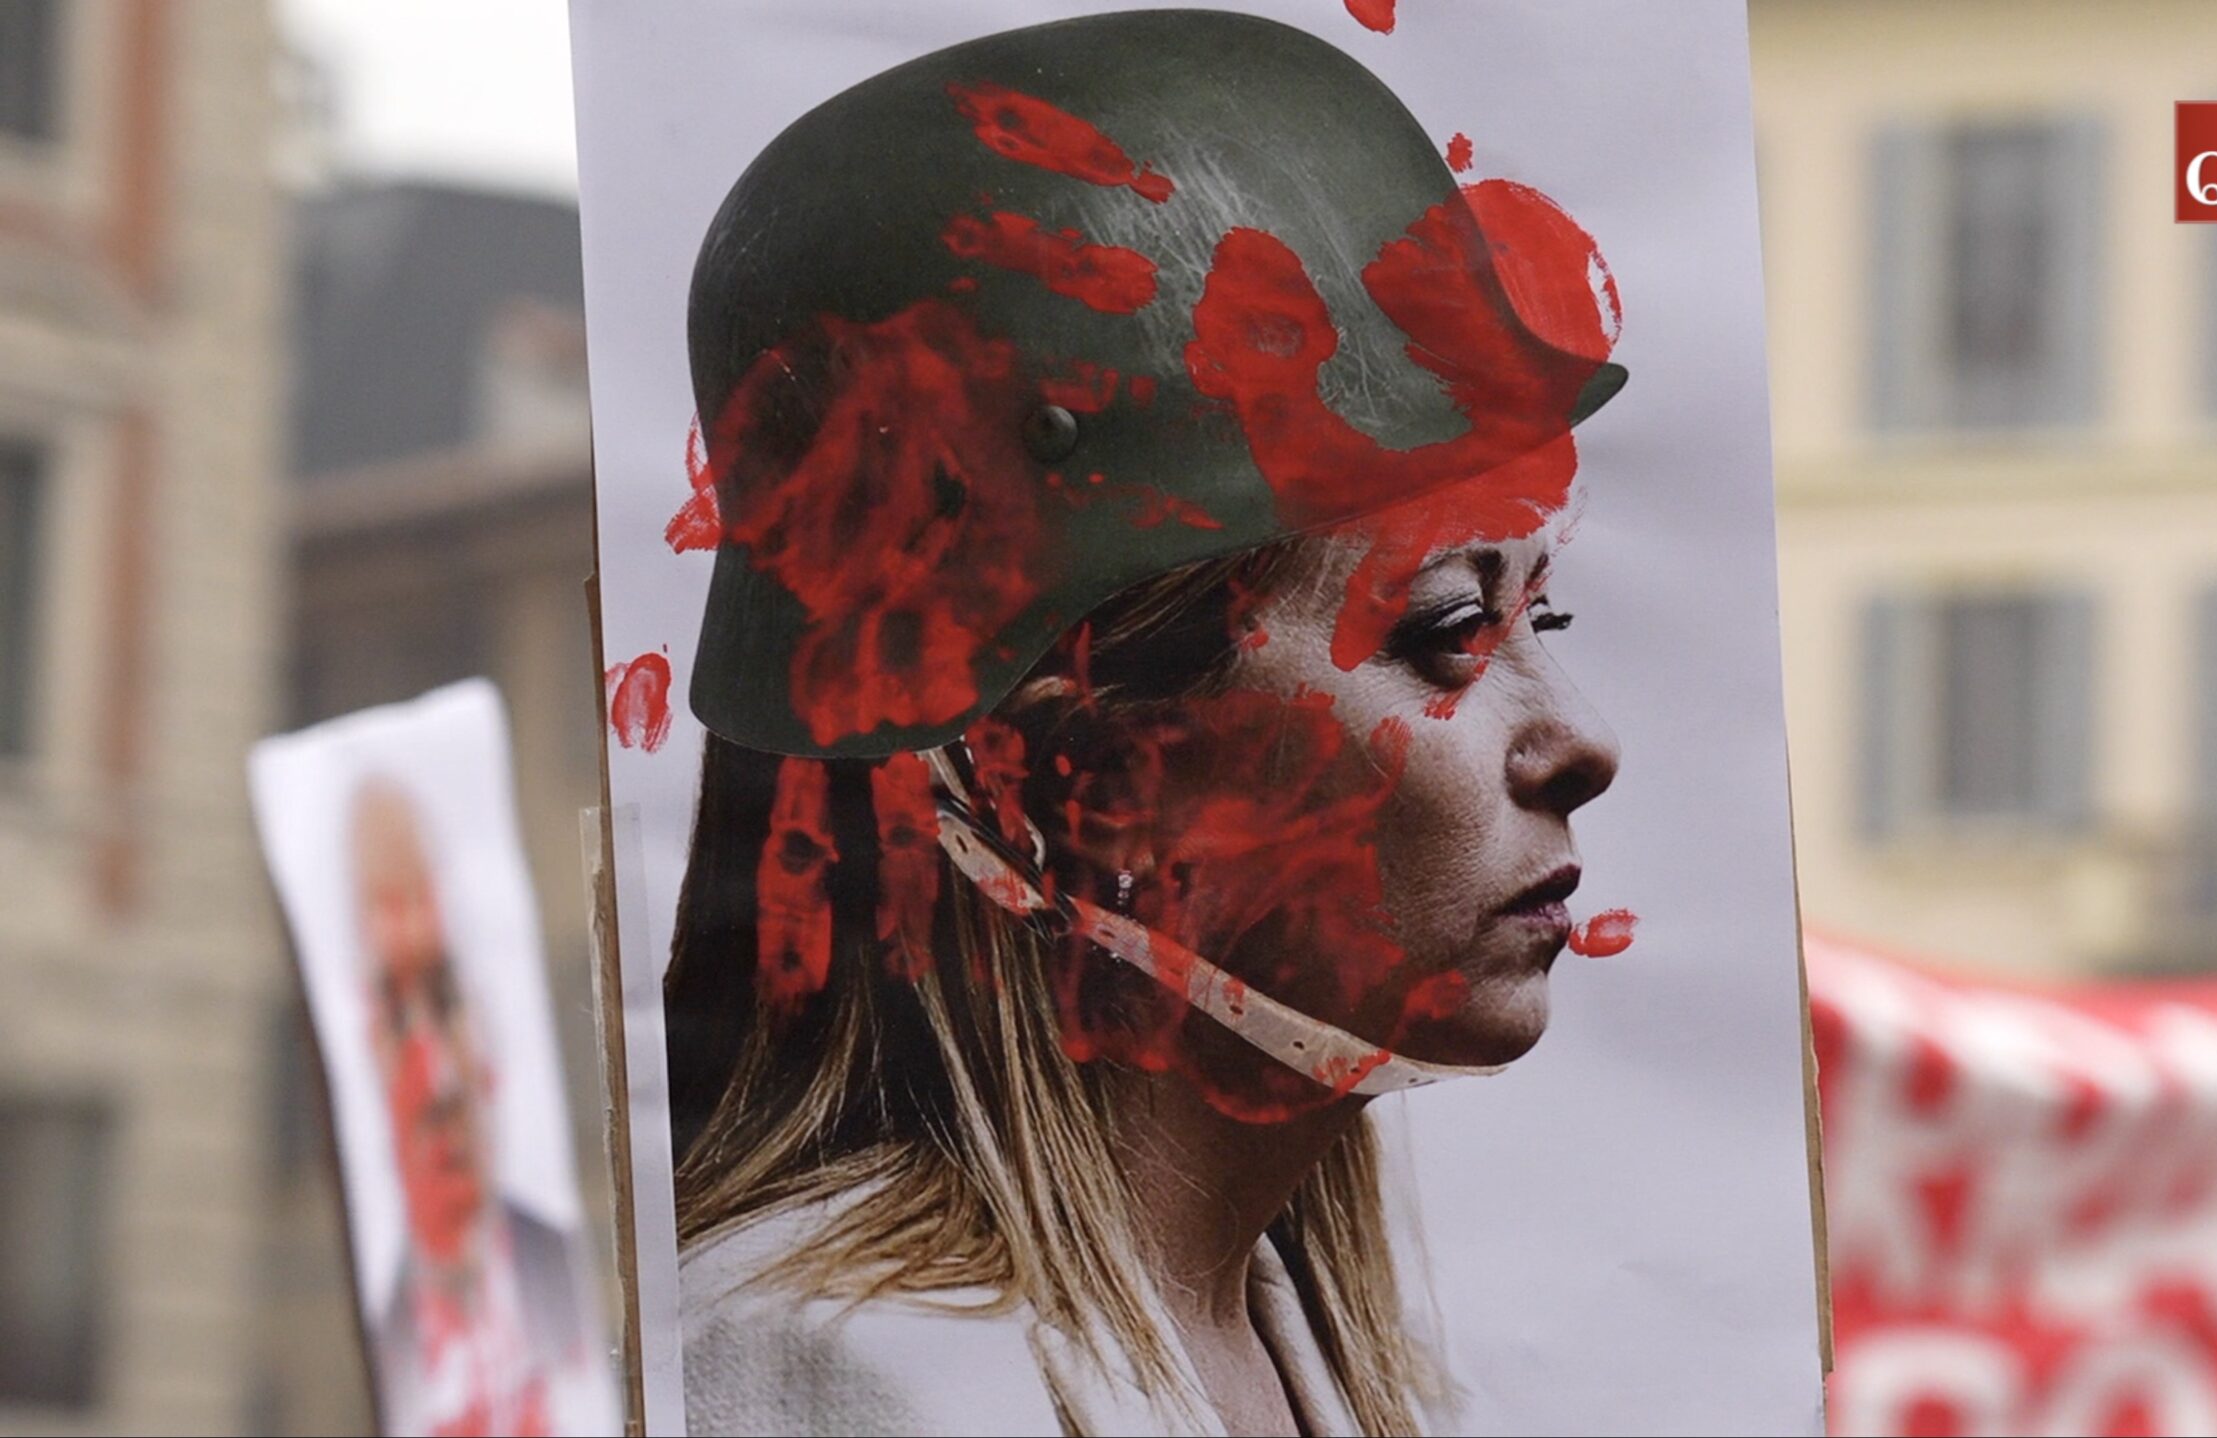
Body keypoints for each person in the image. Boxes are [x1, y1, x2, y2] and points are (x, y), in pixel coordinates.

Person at [664, 11, 1626, 1435]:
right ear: (1067, 779)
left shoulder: (1360, 1375)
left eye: (1534, 621)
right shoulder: (850, 1375)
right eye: (1443, 633)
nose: (1581, 748)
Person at [351, 778, 607, 1436]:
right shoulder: (377, 1336)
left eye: (444, 997)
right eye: (397, 1013)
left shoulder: (568, 1286)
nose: (435, 1074)